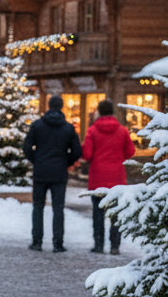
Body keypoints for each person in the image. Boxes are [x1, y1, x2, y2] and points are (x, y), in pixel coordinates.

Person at [23, 94, 82, 252]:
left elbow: (27, 147)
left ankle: (37, 241)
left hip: (41, 171)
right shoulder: (68, 128)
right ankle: (58, 243)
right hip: (59, 173)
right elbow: (77, 151)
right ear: (61, 106)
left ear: (49, 106)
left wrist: (37, 160)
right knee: (58, 208)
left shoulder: (37, 125)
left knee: (38, 207)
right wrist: (65, 162)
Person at [80, 99, 135, 254]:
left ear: (99, 112)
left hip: (97, 177)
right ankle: (115, 246)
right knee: (116, 214)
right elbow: (130, 152)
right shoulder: (123, 131)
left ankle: (98, 244)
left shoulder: (92, 131)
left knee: (98, 213)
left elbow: (87, 154)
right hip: (117, 178)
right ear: (113, 112)